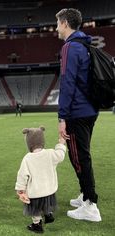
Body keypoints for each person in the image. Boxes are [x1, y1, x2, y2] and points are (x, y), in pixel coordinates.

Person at [56, 8, 102, 222]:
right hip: (90, 110)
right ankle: (85, 195)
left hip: (77, 112)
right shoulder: (85, 44)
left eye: (57, 23)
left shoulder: (70, 47)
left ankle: (90, 205)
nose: (56, 28)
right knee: (82, 155)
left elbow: (67, 83)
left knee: (80, 158)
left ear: (65, 23)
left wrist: (62, 117)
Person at [15, 126, 66, 233]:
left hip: (35, 192)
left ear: (29, 143)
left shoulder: (27, 158)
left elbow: (22, 175)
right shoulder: (50, 153)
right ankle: (48, 216)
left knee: (35, 209)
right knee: (47, 203)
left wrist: (20, 189)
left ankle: (37, 225)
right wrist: (61, 143)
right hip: (49, 189)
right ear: (42, 140)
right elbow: (60, 155)